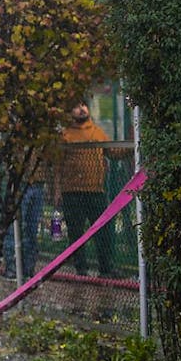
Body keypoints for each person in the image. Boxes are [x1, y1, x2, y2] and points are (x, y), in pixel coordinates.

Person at [53, 101, 130, 278]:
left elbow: (113, 152)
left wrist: (131, 148)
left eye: (83, 105)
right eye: (76, 106)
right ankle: (81, 269)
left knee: (103, 231)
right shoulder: (66, 135)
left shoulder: (97, 132)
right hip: (72, 192)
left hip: (96, 191)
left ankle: (106, 269)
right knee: (76, 233)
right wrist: (57, 190)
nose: (81, 109)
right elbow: (58, 166)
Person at [3, 152, 47, 280]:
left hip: (38, 183)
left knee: (32, 229)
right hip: (20, 182)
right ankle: (12, 268)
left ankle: (28, 268)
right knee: (14, 228)